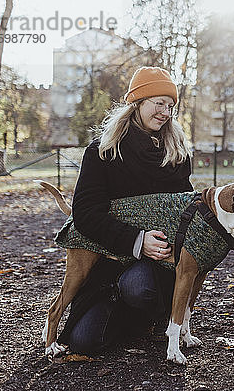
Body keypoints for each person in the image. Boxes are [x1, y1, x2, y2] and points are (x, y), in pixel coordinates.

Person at [58, 66, 193, 353]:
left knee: (139, 288)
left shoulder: (176, 154)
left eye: (170, 106)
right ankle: (121, 306)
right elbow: (85, 212)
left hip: (158, 261)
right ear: (138, 103)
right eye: (159, 103)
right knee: (85, 342)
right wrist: (136, 240)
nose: (166, 112)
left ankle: (154, 312)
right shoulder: (102, 151)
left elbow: (185, 208)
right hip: (108, 258)